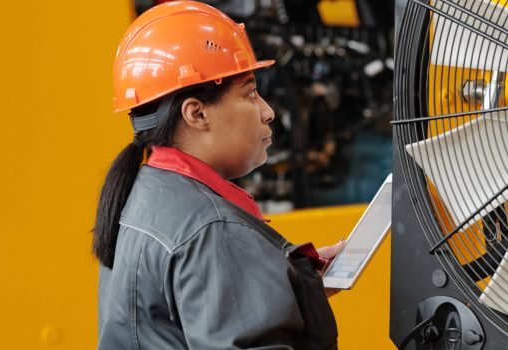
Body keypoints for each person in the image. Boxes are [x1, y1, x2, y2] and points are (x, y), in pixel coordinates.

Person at [93, 2, 342, 349]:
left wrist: (291, 287)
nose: (267, 111)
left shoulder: (145, 193)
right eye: (250, 93)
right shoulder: (213, 231)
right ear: (196, 113)